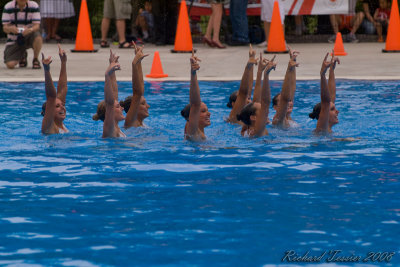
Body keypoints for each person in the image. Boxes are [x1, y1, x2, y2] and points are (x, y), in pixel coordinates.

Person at [237, 54, 276, 138]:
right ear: (253, 117)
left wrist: (259, 72)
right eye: (262, 111)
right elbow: (265, 103)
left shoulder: (247, 129)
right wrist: (266, 75)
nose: (266, 112)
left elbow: (256, 101)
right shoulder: (257, 130)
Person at [1, 0, 42, 69]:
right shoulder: (8, 7)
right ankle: (22, 55)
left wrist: (30, 29)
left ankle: (35, 59)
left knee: (37, 36)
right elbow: (5, 27)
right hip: (14, 38)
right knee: (10, 65)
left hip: (29, 35)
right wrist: (11, 29)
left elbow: (37, 26)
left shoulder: (34, 5)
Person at [181, 51, 211, 141]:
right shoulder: (192, 131)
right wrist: (193, 73)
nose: (209, 114)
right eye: (203, 111)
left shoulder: (199, 134)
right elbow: (195, 104)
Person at [309, 51, 340, 134]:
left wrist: (331, 70)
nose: (337, 111)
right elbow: (326, 102)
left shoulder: (328, 132)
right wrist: (322, 74)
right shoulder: (321, 130)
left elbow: (331, 97)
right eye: (333, 109)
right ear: (322, 115)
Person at [41, 44, 69, 134]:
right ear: (48, 112)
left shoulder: (60, 125)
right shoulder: (49, 127)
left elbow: (62, 89)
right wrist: (46, 70)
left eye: (62, 105)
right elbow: (51, 97)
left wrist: (63, 62)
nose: (62, 107)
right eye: (57, 106)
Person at [121, 43, 150, 128]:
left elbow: (140, 90)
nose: (148, 106)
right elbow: (137, 93)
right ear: (134, 108)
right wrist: (134, 64)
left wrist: (139, 62)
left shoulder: (141, 124)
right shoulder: (131, 122)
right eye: (143, 104)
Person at [227, 44, 257, 123]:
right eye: (242, 99)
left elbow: (249, 88)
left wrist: (251, 61)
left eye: (249, 98)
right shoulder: (234, 116)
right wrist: (248, 66)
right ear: (234, 104)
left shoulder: (248, 115)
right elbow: (243, 93)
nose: (248, 100)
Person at [272, 47, 299, 128]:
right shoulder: (278, 119)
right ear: (275, 108)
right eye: (284, 101)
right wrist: (289, 68)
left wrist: (293, 61)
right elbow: (286, 91)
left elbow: (292, 87)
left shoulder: (289, 118)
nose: (288, 103)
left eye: (290, 100)